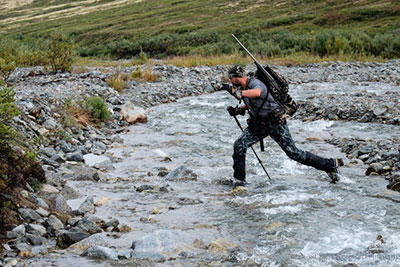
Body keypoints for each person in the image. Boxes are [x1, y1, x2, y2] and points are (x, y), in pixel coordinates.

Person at [222, 65, 343, 185]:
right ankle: (239, 180)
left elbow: (258, 93)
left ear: (236, 77)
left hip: (276, 123)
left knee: (294, 153)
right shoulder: (244, 86)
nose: (230, 82)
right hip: (260, 124)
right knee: (239, 145)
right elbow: (255, 103)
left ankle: (329, 165)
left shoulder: (255, 83)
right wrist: (238, 110)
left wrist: (239, 93)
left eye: (230, 79)